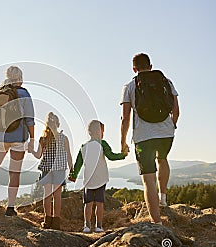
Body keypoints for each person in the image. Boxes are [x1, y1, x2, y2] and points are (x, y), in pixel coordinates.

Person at [120, 53, 180, 224]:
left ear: (134, 68)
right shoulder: (166, 82)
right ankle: (163, 198)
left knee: (148, 180)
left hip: (143, 137)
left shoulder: (130, 86)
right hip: (166, 134)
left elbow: (125, 118)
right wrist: (172, 126)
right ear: (151, 66)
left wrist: (123, 141)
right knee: (162, 159)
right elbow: (176, 111)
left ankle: (157, 223)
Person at [0, 66, 35, 217]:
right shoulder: (24, 93)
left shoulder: (0, 92)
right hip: (18, 137)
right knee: (15, 172)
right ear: (20, 78)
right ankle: (10, 207)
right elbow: (30, 120)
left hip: (1, 136)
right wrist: (32, 139)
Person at [69, 120, 127, 233]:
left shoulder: (83, 146)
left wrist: (74, 176)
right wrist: (123, 155)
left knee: (88, 204)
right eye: (102, 131)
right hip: (101, 178)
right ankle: (99, 226)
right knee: (99, 203)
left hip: (88, 180)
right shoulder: (103, 143)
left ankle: (86, 226)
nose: (103, 133)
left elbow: (78, 164)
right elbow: (111, 156)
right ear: (98, 131)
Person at [31, 112, 73, 230]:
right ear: (58, 124)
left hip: (47, 169)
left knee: (47, 195)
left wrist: (31, 150)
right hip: (59, 169)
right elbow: (68, 155)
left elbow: (38, 155)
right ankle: (56, 222)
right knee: (57, 196)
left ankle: (47, 220)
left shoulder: (43, 138)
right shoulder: (64, 138)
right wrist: (71, 169)